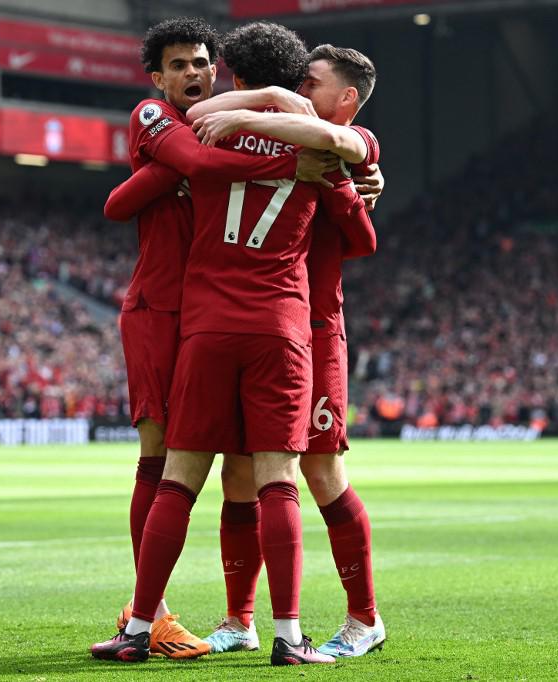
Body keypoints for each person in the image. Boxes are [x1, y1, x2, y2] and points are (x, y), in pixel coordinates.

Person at [92, 21, 376, 666]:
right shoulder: (328, 152)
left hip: (206, 322)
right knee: (273, 475)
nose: (197, 77)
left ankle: (145, 625)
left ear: (229, 73)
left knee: (182, 474)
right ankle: (276, 631)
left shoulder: (202, 127)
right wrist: (325, 172)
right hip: (280, 326)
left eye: (206, 66)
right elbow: (363, 239)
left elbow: (137, 190)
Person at [188, 44, 386, 658]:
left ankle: (363, 620)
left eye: (312, 81)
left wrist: (349, 185)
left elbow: (362, 242)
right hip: (265, 327)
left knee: (321, 472)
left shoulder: (353, 145)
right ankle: (239, 620)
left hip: (316, 328)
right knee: (239, 474)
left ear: (345, 99)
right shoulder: (294, 141)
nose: (299, 87)